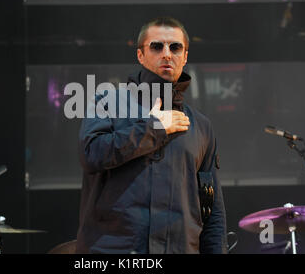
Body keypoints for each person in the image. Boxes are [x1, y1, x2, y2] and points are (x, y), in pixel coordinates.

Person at [76, 16, 227, 254]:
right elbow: (91, 155)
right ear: (140, 55)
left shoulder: (201, 125)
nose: (167, 54)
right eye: (157, 46)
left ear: (185, 56)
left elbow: (212, 207)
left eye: (175, 47)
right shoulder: (109, 101)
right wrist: (154, 128)